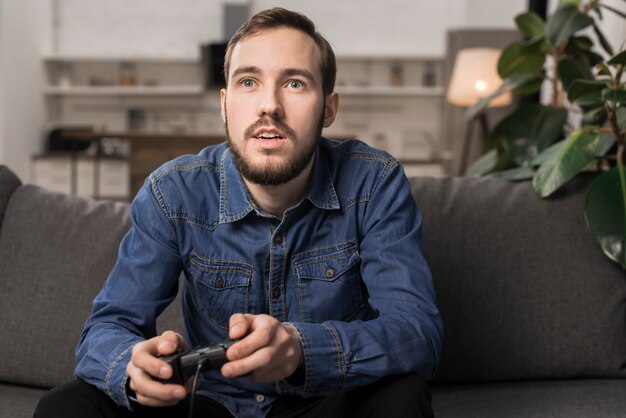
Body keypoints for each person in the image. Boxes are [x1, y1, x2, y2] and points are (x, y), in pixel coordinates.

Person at [35, 7, 443, 418]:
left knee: (402, 395)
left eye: (295, 83)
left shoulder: (374, 182)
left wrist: (302, 348)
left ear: (329, 108)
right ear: (225, 105)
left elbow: (417, 333)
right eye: (249, 82)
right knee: (66, 405)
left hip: (322, 403)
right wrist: (132, 368)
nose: (270, 106)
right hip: (209, 405)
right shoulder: (173, 191)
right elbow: (106, 328)